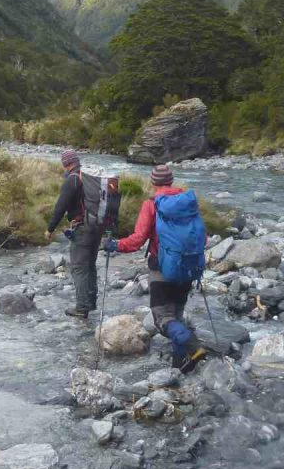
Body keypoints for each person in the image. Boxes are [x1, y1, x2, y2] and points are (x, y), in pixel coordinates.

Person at [103, 164, 206, 372]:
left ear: (153, 182)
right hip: (188, 267)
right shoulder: (187, 202)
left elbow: (138, 239)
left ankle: (192, 343)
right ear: (171, 180)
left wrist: (115, 245)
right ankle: (181, 366)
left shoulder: (152, 204)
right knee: (176, 314)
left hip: (162, 268)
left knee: (162, 319)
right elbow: (202, 236)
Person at [45, 149, 101, 318]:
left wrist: (50, 229)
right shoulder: (89, 177)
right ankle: (90, 302)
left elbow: (60, 207)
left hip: (82, 228)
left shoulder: (72, 180)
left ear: (66, 163)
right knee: (90, 265)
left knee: (78, 268)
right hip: (97, 226)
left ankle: (82, 308)